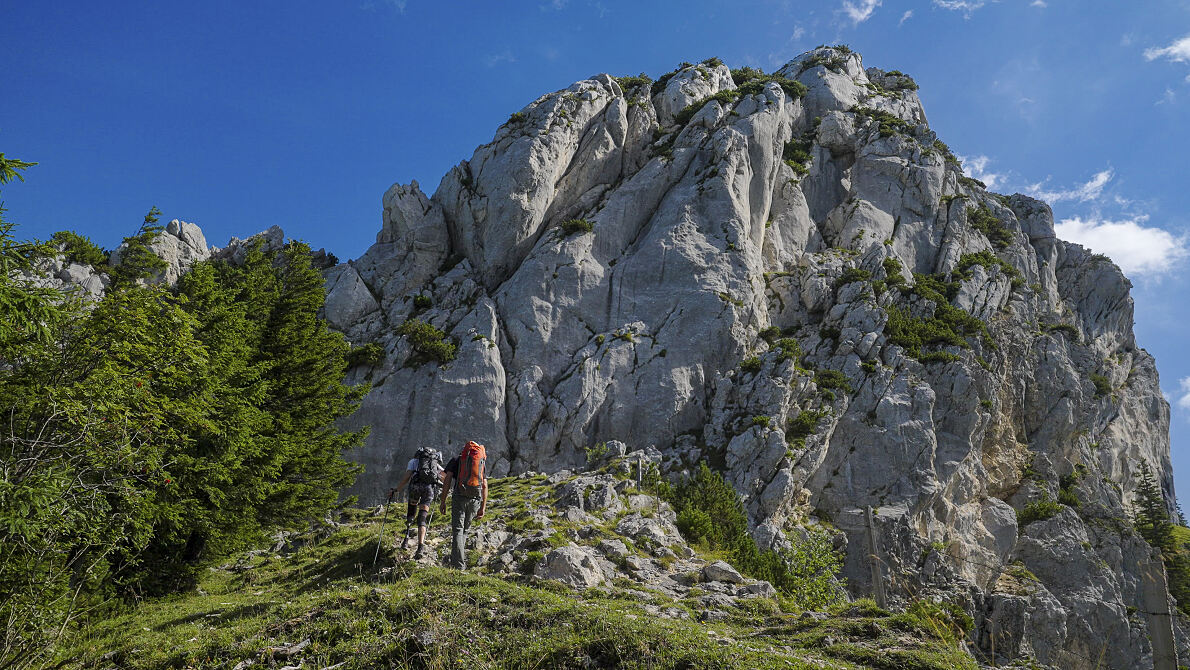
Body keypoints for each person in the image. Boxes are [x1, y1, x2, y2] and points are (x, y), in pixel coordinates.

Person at [389, 446, 444, 559]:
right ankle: (420, 546)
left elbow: (407, 476)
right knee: (422, 518)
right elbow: (444, 476)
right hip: (428, 490)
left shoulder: (413, 462)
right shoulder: (434, 464)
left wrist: (397, 489)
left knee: (411, 511)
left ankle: (406, 539)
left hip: (415, 487)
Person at [440, 440, 487, 569]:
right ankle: (456, 561)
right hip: (475, 499)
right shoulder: (480, 462)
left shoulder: (456, 459)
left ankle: (458, 565)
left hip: (459, 497)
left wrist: (443, 500)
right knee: (464, 530)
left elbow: (447, 480)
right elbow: (484, 485)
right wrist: (483, 507)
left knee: (457, 531)